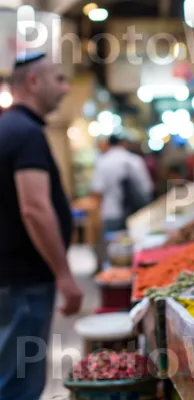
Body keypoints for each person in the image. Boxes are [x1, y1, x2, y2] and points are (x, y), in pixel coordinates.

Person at [0, 53, 83, 399]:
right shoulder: (26, 133)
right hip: (24, 283)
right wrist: (64, 274)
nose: (65, 89)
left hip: (10, 280)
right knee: (18, 383)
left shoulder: (7, 128)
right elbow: (34, 208)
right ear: (33, 82)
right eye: (59, 79)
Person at [91, 135, 153, 232]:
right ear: (123, 143)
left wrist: (96, 218)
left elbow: (97, 191)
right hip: (136, 212)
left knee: (113, 245)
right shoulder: (134, 160)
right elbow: (148, 187)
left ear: (109, 144)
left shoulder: (102, 162)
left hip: (111, 213)